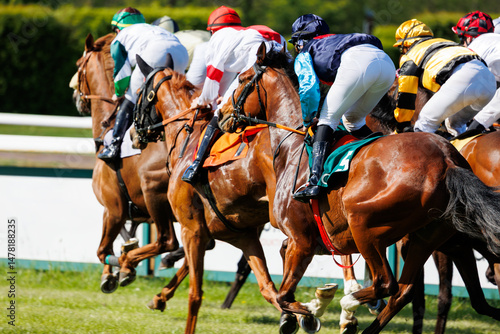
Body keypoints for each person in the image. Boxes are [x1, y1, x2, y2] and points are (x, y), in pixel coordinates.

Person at [289, 14, 396, 202]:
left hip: (358, 63)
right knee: (353, 120)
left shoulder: (306, 50)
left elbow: (308, 90)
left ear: (301, 40)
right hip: (386, 64)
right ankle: (386, 154)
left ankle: (314, 181)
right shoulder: (334, 40)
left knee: (327, 118)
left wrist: (308, 120)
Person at [181, 6, 288, 184]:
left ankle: (196, 165)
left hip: (256, 70)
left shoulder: (219, 39)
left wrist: (203, 102)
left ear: (213, 30)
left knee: (219, 114)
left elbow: (213, 78)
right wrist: (223, 96)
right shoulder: (250, 31)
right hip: (282, 67)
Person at [98, 7, 189, 162]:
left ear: (118, 28)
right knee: (171, 96)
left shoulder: (120, 38)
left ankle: (114, 146)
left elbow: (121, 73)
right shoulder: (150, 29)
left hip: (155, 52)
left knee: (130, 98)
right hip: (181, 52)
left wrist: (119, 93)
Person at [393, 19, 496, 137]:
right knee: (454, 127)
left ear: (405, 44)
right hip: (489, 82)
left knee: (424, 124)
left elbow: (406, 96)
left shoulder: (411, 55)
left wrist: (401, 127)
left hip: (464, 78)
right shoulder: (445, 42)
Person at [452, 11, 500, 132]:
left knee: (466, 129)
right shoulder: (493, 41)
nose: (462, 43)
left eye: (461, 38)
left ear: (469, 37)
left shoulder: (477, 46)